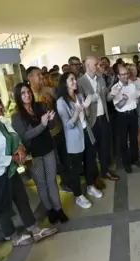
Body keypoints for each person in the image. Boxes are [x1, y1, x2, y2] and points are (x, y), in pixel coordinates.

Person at [0, 86, 58, 247]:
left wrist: (19, 148)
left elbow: (15, 137)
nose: (0, 107)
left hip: (10, 171)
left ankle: (34, 228)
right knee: (4, 207)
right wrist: (13, 157)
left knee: (22, 199)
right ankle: (12, 236)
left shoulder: (3, 121)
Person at [11, 83, 68, 224]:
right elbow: (25, 136)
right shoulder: (17, 116)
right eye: (23, 93)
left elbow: (51, 127)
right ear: (18, 96)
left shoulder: (40, 106)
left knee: (52, 181)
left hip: (47, 148)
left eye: (28, 92)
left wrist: (51, 120)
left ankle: (58, 209)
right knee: (41, 184)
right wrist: (42, 125)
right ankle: (50, 210)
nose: (27, 95)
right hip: (33, 154)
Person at [56, 72, 103, 209]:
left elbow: (87, 116)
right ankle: (78, 195)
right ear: (65, 83)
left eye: (75, 79)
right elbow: (68, 125)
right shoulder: (61, 102)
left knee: (90, 162)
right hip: (74, 138)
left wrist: (86, 108)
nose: (75, 81)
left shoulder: (79, 96)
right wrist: (77, 112)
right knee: (75, 169)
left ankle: (90, 186)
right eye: (71, 79)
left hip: (86, 133)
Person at [78, 57, 119, 183]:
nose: (99, 66)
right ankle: (94, 177)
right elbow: (80, 104)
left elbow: (105, 98)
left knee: (104, 147)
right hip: (91, 121)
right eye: (96, 64)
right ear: (88, 66)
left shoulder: (100, 79)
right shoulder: (80, 82)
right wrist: (89, 101)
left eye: (99, 64)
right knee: (91, 151)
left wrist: (112, 94)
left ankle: (105, 171)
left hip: (103, 118)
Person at [109, 65, 140, 173]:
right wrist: (125, 99)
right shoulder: (115, 88)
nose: (126, 76)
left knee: (134, 138)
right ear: (118, 76)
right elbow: (118, 106)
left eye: (126, 73)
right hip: (122, 116)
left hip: (133, 113)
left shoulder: (132, 85)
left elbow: (136, 99)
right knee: (123, 140)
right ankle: (126, 163)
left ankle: (135, 159)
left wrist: (139, 96)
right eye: (123, 74)